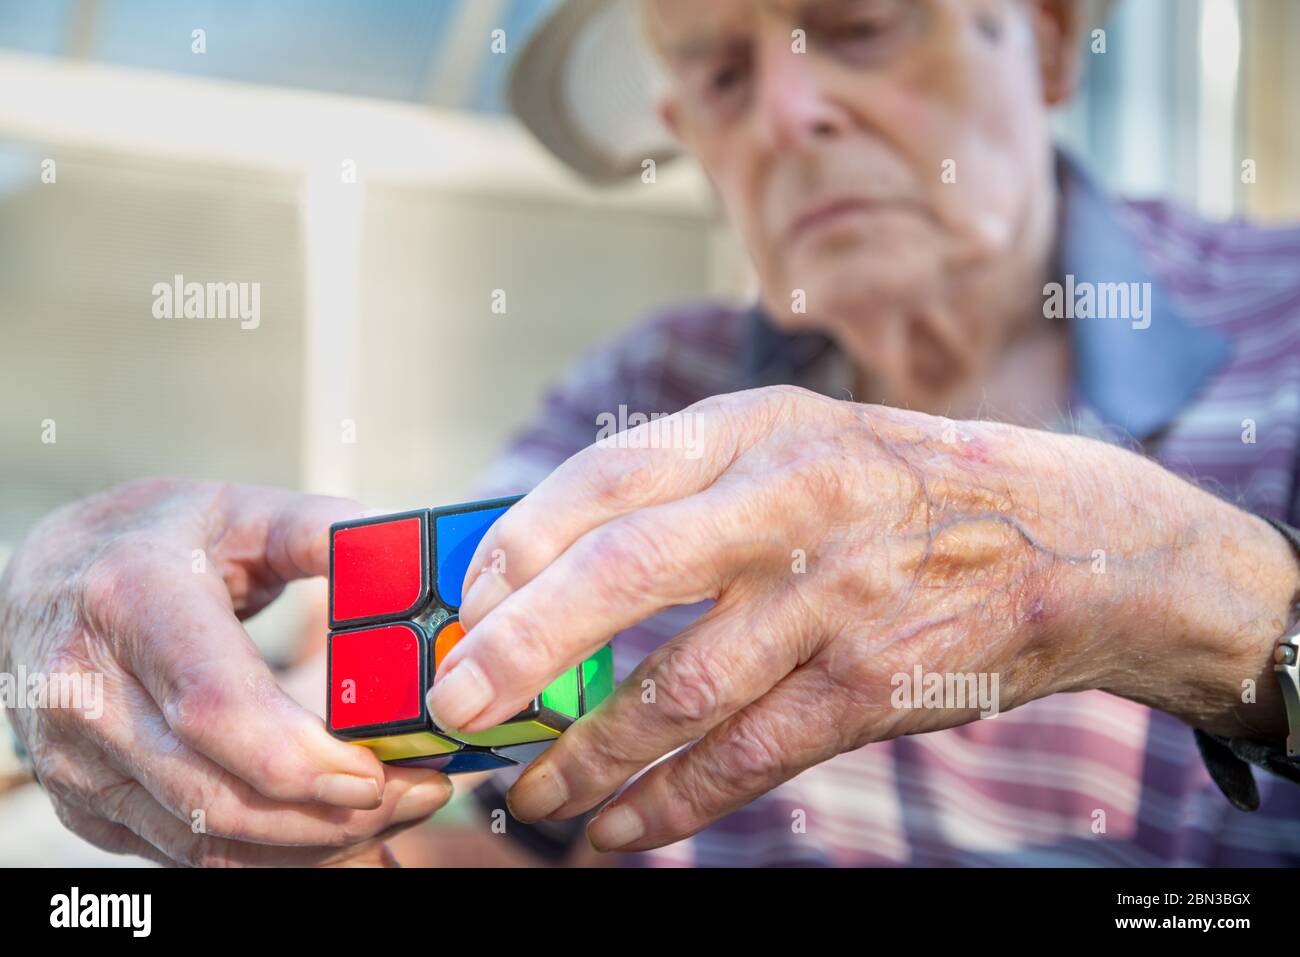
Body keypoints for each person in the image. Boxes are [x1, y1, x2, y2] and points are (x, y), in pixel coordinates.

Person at [3, 0, 1299, 867]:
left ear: (1052, 39)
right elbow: (455, 803)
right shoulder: (646, 396)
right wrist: (228, 745)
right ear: (686, 135)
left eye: (857, 24)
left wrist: (1159, 581)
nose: (788, 117)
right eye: (723, 74)